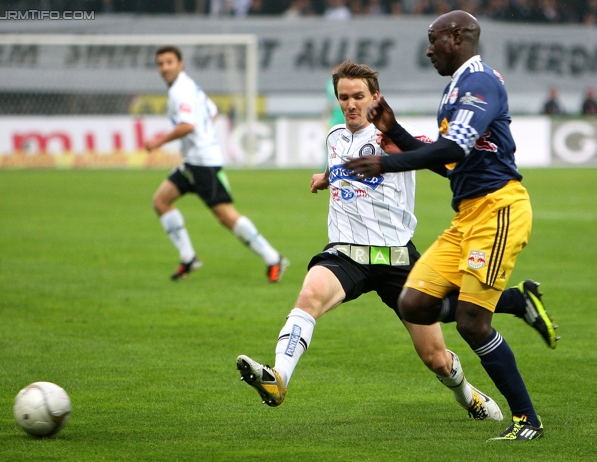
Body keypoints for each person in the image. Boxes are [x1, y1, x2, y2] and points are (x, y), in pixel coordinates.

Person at [237, 60, 557, 424]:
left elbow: (445, 156)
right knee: (308, 297)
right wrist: (324, 178)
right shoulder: (335, 137)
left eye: (359, 96)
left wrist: (402, 150)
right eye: (344, 97)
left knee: (435, 357)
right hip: (346, 254)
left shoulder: (397, 138)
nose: (351, 104)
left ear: (376, 97)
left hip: (398, 258)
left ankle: (469, 395)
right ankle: (278, 378)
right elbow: (338, 162)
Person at [344, 10, 557, 441]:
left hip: (499, 211)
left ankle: (526, 421)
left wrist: (384, 161)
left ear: (456, 37)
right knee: (413, 303)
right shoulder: (457, 87)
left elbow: (454, 147)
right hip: (468, 216)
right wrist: (396, 131)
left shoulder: (479, 82)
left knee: (471, 323)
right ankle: (517, 303)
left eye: (433, 39)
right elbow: (452, 164)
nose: (427, 49)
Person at [145, 46, 288, 282]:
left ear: (180, 64)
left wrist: (159, 142)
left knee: (226, 216)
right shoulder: (190, 86)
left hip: (203, 163)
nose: (164, 68)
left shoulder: (180, 91)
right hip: (193, 161)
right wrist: (204, 136)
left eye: (169, 62)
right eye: (160, 63)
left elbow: (188, 125)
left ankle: (273, 258)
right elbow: (212, 112)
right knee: (161, 201)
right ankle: (188, 257)